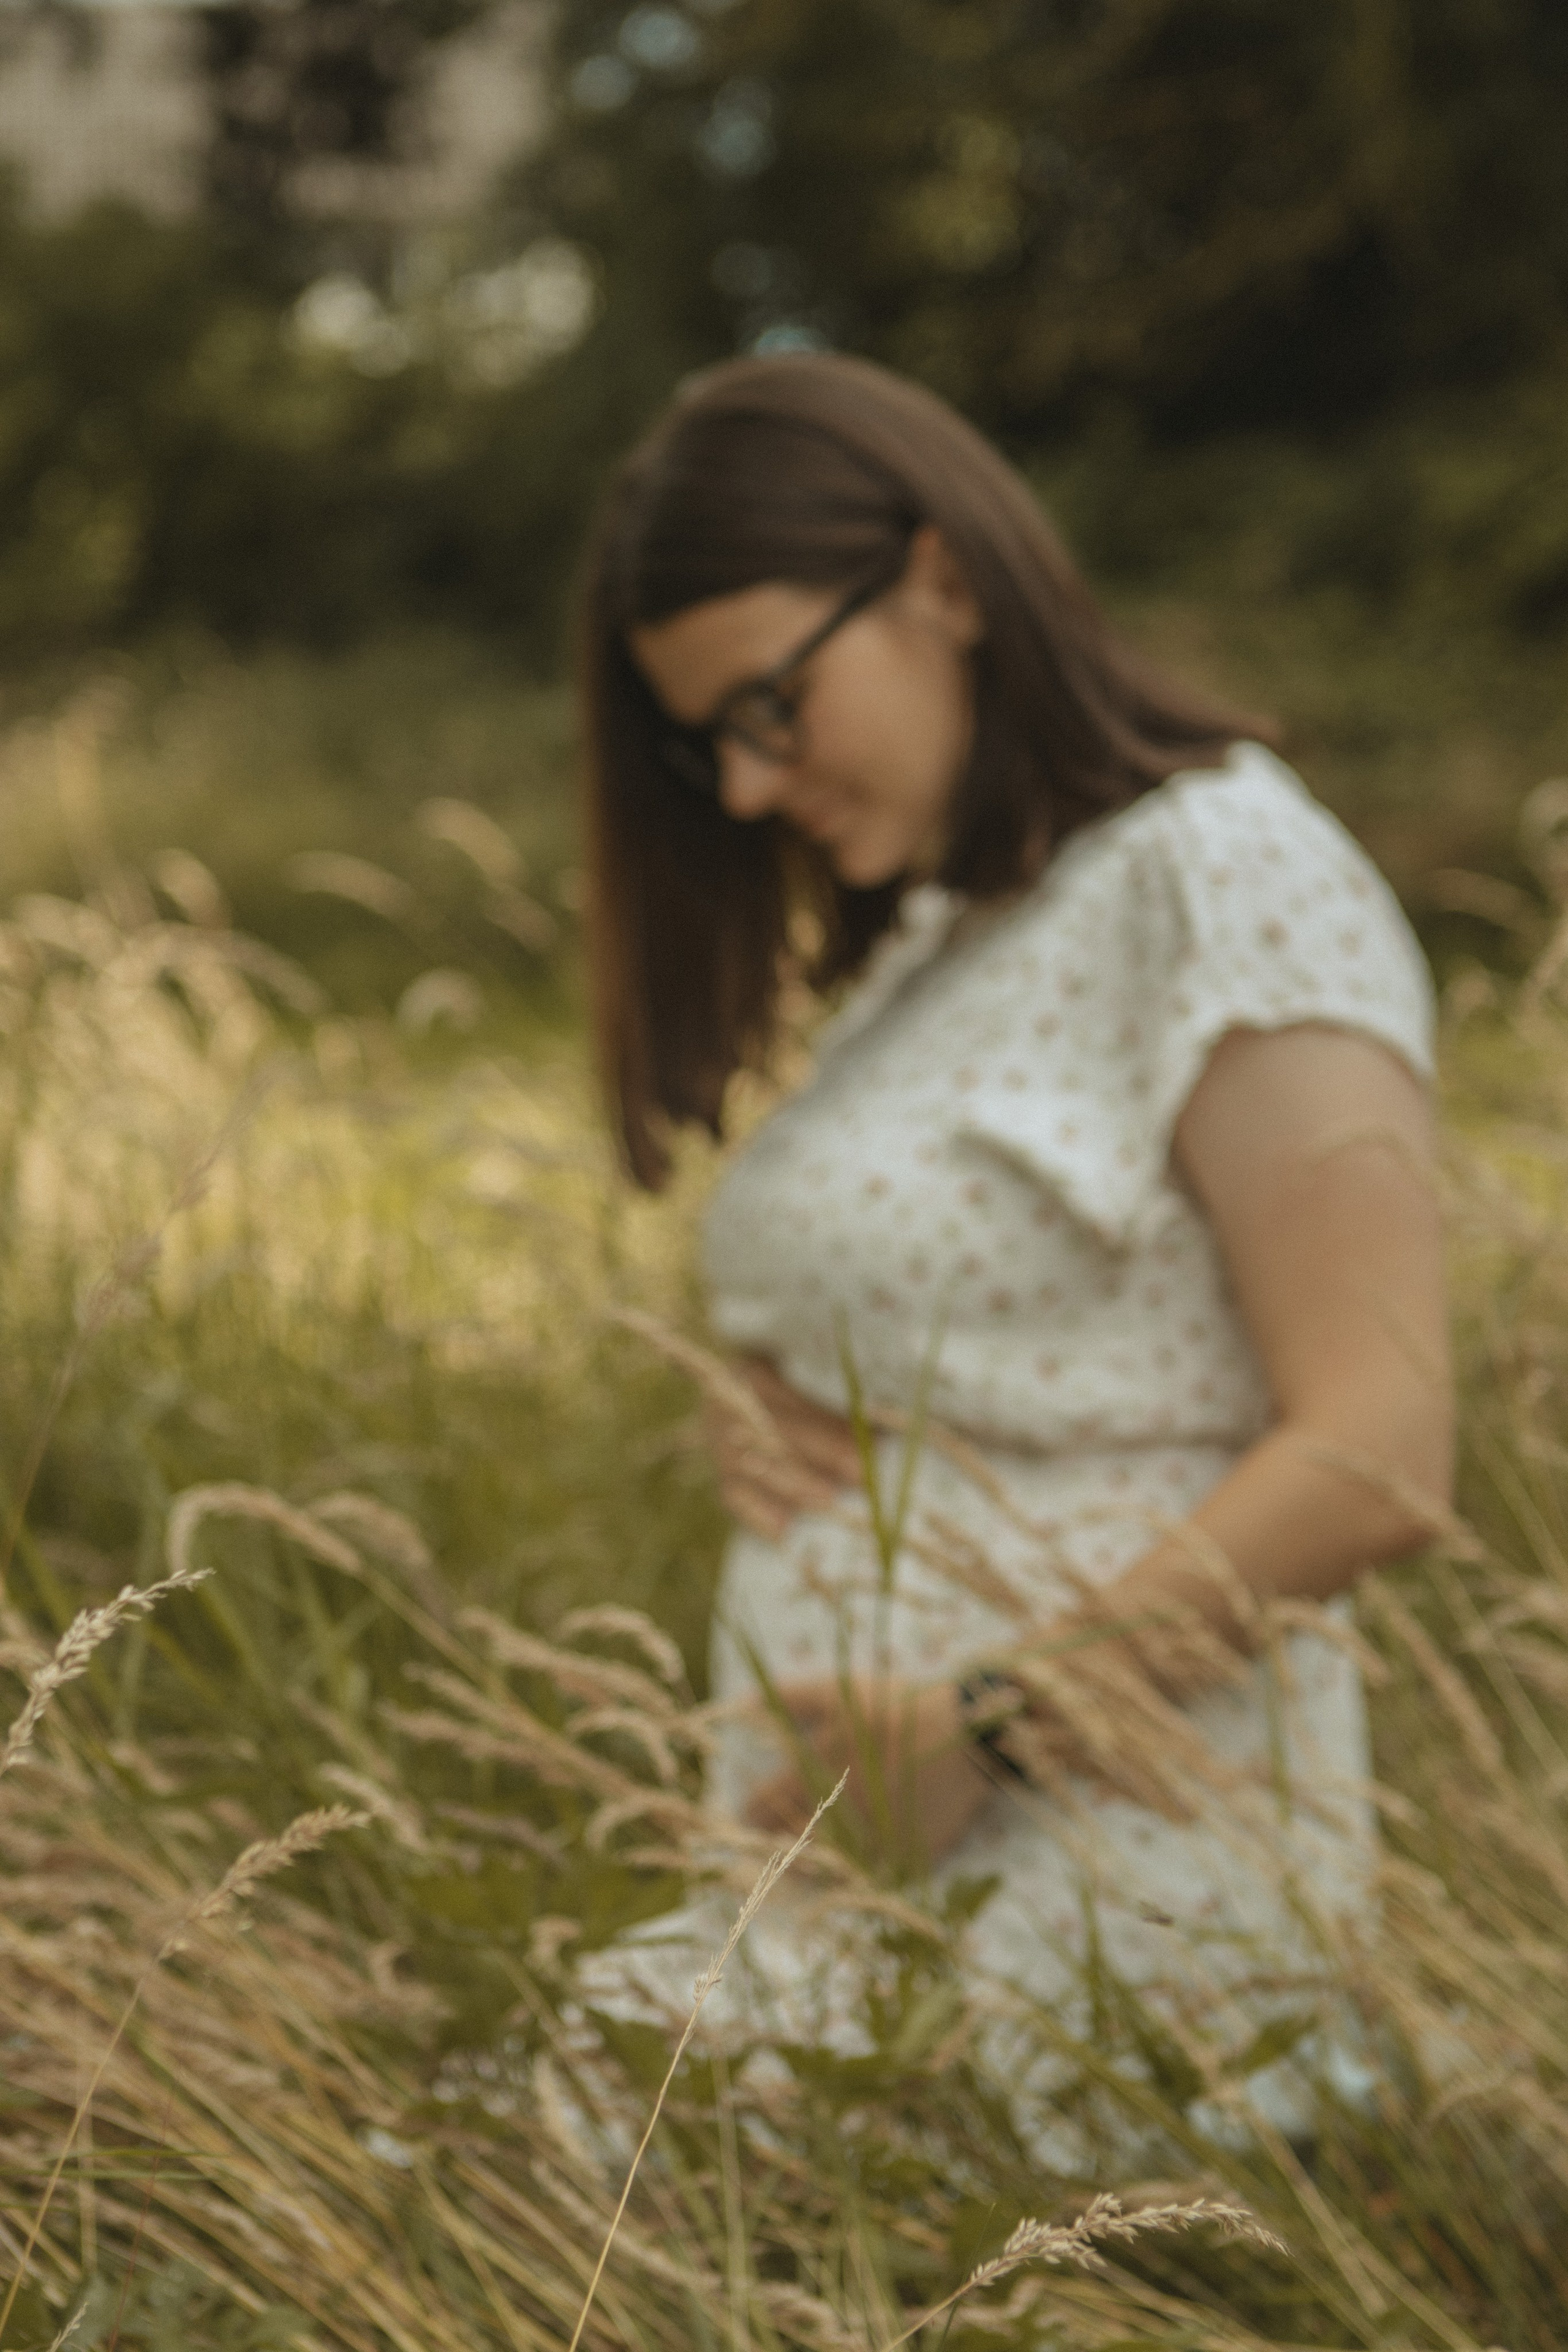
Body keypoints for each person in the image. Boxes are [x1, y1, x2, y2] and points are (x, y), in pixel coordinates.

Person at [575, 350, 1451, 2111]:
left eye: (771, 706)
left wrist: (990, 1727)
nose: (743, 789)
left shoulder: (1221, 873)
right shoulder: (954, 932)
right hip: (883, 1871)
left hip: (1113, 1860)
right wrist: (775, 1405)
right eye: (706, 743)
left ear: (945, 584)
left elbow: (1383, 1448)